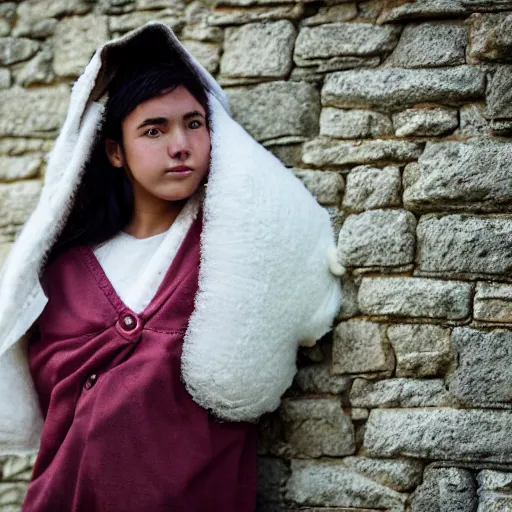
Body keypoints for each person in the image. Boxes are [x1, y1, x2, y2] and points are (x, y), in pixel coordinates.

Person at [0, 22, 343, 511]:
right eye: (154, 130)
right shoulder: (66, 274)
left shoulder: (235, 254)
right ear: (115, 151)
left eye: (194, 123)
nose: (180, 144)